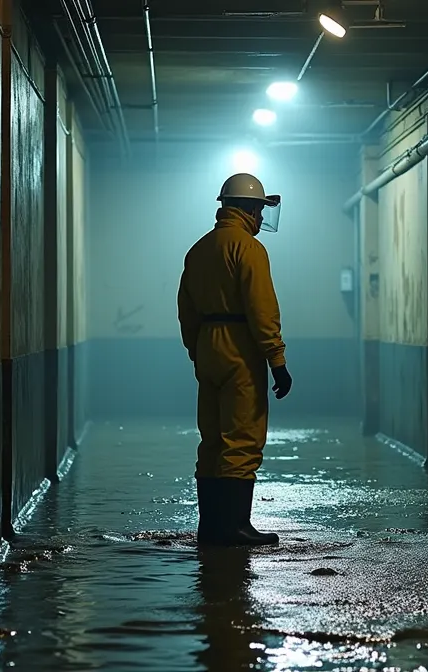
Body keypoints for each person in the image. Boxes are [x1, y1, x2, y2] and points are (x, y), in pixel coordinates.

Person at [177, 172, 294, 546]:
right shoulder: (248, 249)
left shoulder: (199, 249)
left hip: (208, 346)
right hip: (241, 347)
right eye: (259, 210)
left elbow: (186, 309)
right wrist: (277, 360)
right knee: (242, 438)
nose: (261, 218)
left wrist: (198, 350)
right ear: (247, 209)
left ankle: (210, 526)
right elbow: (262, 310)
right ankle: (236, 527)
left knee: (211, 440)